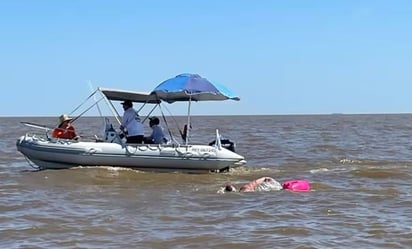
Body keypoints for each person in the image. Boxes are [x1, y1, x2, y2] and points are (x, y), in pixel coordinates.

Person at [220, 177, 310, 193]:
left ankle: (232, 190)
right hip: (251, 189)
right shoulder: (277, 185)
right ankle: (232, 190)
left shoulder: (276, 184)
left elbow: (263, 179)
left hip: (251, 188)